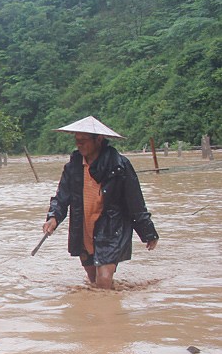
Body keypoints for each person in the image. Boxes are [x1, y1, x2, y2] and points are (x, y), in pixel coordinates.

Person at [42, 115, 158, 289]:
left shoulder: (119, 166)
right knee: (93, 280)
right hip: (83, 226)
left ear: (99, 139)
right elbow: (61, 197)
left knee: (103, 279)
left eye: (83, 140)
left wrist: (148, 231)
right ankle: (95, 312)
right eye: (77, 140)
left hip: (111, 226)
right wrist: (53, 217)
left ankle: (110, 314)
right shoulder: (73, 167)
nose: (79, 144)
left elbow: (135, 201)